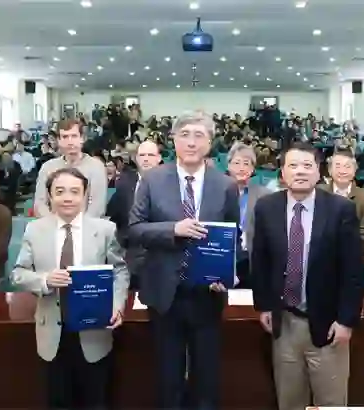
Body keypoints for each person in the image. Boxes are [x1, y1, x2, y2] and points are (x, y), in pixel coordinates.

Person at [127, 111, 240, 410]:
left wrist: (226, 274)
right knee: (168, 378)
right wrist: (172, 230)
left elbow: (233, 236)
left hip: (207, 294)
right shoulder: (152, 180)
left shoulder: (226, 185)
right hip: (164, 293)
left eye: (199, 135)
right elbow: (134, 230)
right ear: (173, 140)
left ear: (210, 142)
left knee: (207, 378)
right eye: (185, 135)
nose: (191, 142)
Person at [250, 142, 364, 410]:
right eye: (293, 165)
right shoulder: (267, 207)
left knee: (331, 402)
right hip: (285, 322)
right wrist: (264, 305)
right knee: (289, 400)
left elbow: (353, 270)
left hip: (328, 323)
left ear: (318, 171)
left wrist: (346, 320)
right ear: (282, 172)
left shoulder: (340, 209)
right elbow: (261, 260)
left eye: (307, 165)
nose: (300, 171)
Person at [12, 168, 129, 409]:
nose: (67, 198)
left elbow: (119, 271)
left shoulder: (104, 230)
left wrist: (117, 305)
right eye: (60, 191)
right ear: (50, 196)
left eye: (75, 192)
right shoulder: (35, 230)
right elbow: (18, 274)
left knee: (96, 400)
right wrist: (44, 280)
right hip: (52, 333)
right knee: (58, 401)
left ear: (85, 196)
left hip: (95, 330)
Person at [106, 140, 161, 289]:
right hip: (129, 253)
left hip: (159, 252)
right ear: (136, 158)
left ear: (159, 158)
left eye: (150, 155)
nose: (146, 159)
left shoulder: (171, 185)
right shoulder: (123, 184)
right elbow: (113, 217)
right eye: (142, 155)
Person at [35, 118, 109, 218]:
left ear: (82, 139)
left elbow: (97, 207)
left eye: (74, 136)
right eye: (65, 137)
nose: (70, 142)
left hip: (86, 225)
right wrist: (54, 223)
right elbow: (40, 204)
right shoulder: (48, 167)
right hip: (53, 224)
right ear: (59, 141)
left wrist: (76, 225)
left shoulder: (96, 167)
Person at [226, 142, 270, 288]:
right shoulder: (217, 191)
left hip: (251, 259)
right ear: (228, 166)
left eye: (246, 163)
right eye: (237, 163)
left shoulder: (265, 195)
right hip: (224, 255)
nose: (241, 168)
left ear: (252, 169)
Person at [319, 151, 364, 264]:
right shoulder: (319, 192)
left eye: (347, 167)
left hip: (355, 255)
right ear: (330, 170)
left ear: (354, 171)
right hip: (322, 255)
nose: (342, 171)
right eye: (338, 166)